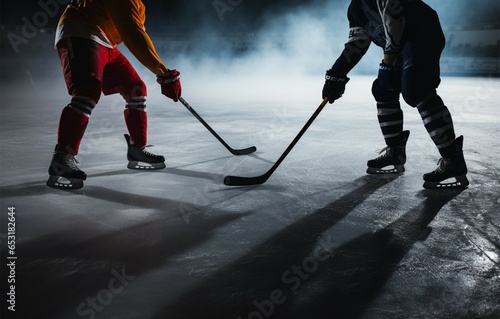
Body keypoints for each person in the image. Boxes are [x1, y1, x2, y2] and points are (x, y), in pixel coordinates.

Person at [322, 0, 469, 189]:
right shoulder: (355, 8)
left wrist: (388, 60)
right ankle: (395, 151)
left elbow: (395, 22)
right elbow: (357, 43)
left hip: (421, 34)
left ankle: (453, 159)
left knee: (416, 89)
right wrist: (336, 74)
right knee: (383, 89)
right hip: (399, 45)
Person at [47, 0, 181, 189]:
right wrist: (163, 73)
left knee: (136, 88)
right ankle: (62, 158)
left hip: (104, 41)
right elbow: (132, 33)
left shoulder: (138, 4)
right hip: (80, 31)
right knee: (87, 91)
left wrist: (163, 73)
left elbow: (134, 32)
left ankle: (137, 149)